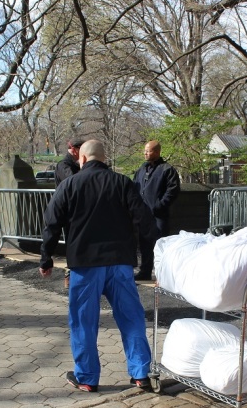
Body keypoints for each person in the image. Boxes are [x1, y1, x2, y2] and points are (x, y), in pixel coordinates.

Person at [39, 139, 159, 393]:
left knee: (84, 321)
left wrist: (46, 258)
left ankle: (87, 378)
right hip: (120, 263)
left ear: (81, 159)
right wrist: (156, 253)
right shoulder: (123, 183)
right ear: (104, 159)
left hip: (85, 265)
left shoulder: (69, 185)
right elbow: (145, 219)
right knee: (132, 317)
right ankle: (141, 373)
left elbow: (51, 223)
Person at [133, 140, 180, 280]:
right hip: (143, 214)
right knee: (144, 245)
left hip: (159, 215)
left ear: (157, 152)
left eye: (148, 151)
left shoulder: (167, 169)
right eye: (145, 150)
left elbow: (173, 191)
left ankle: (162, 274)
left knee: (160, 245)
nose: (145, 153)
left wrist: (159, 206)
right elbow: (135, 187)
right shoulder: (141, 169)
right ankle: (145, 271)